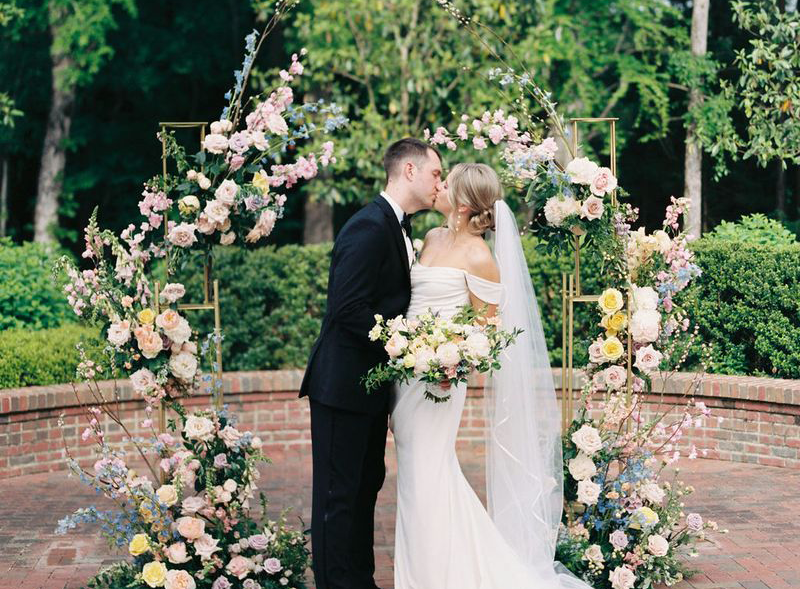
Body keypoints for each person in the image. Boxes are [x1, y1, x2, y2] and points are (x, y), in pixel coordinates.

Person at [390, 162, 593, 588]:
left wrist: (452, 364)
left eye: (447, 184)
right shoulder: (430, 238)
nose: (438, 187)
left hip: (442, 383)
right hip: (407, 376)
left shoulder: (481, 257)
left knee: (428, 472)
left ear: (463, 205)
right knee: (415, 474)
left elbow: (487, 331)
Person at [299, 138, 443, 589]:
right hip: (341, 386)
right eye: (436, 174)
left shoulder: (396, 227)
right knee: (337, 498)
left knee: (364, 491)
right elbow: (348, 308)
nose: (440, 183)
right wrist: (405, 342)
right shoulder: (368, 226)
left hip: (368, 388)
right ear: (409, 171)